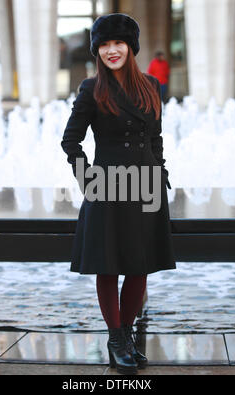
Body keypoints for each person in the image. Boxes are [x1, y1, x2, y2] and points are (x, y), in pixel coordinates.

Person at [61, 13, 176, 375]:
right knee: (109, 266)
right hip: (108, 188)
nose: (112, 50)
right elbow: (71, 141)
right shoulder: (91, 89)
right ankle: (115, 339)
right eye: (105, 45)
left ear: (131, 47)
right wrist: (88, 180)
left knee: (140, 266)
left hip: (146, 186)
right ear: (98, 50)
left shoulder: (151, 86)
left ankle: (125, 335)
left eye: (118, 43)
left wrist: (161, 172)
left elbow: (155, 137)